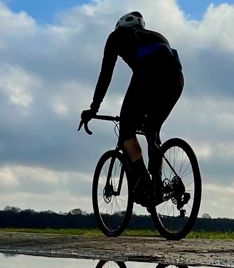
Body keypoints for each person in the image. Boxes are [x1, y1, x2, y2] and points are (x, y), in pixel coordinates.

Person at [79, 11, 184, 206]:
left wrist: (94, 108)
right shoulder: (157, 36)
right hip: (175, 80)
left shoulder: (116, 36)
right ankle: (157, 187)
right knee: (152, 129)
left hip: (148, 75)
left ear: (120, 27)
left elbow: (106, 74)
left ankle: (143, 180)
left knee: (127, 128)